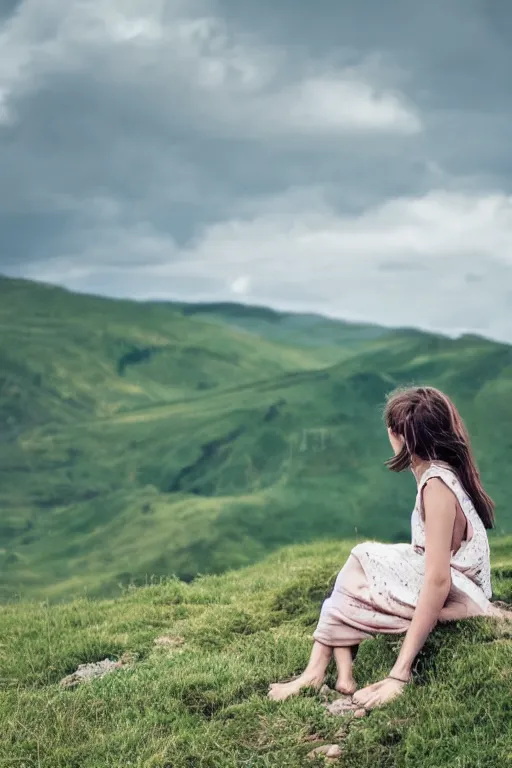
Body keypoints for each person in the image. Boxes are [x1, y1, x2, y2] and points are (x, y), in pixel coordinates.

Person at [268, 385, 505, 709]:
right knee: (364, 562)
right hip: (464, 590)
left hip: (463, 597)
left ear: (401, 437)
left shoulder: (436, 486)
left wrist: (399, 674)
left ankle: (316, 672)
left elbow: (438, 580)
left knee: (361, 557)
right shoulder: (440, 473)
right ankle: (323, 671)